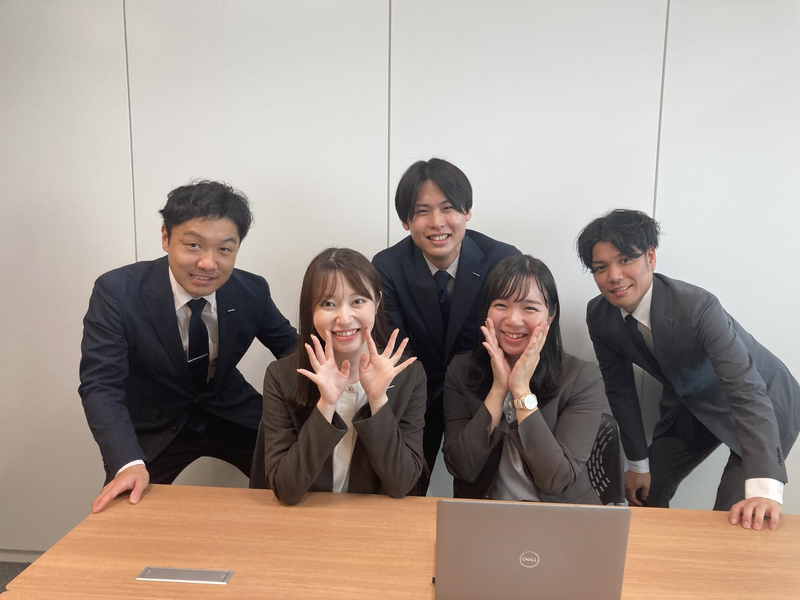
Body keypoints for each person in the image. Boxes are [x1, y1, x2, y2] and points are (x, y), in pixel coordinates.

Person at [79, 180, 297, 513]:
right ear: (166, 238)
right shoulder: (118, 291)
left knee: (294, 481)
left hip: (230, 410)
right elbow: (100, 384)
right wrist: (127, 462)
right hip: (153, 422)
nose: (208, 263)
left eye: (224, 249)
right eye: (193, 245)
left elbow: (293, 351)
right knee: (127, 511)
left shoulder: (251, 291)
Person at [577, 208, 800, 530]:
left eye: (625, 260)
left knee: (738, 516)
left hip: (763, 400)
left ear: (650, 257)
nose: (614, 276)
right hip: (693, 401)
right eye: (601, 267)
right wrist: (638, 464)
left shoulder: (697, 306)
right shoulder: (600, 315)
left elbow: (744, 388)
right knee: (644, 492)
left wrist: (765, 489)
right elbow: (620, 390)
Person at [372, 158, 519, 490]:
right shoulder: (387, 267)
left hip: (482, 392)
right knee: (402, 490)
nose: (437, 222)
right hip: (416, 395)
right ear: (406, 221)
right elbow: (396, 348)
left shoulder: (502, 260)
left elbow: (511, 338)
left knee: (477, 495)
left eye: (448, 207)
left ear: (467, 211)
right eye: (422, 211)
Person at [252, 248, 427, 505]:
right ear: (310, 310)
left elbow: (402, 483)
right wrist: (326, 404)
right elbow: (286, 489)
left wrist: (377, 401)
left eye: (358, 301)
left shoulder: (408, 376)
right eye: (328, 304)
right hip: (307, 515)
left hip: (373, 518)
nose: (344, 318)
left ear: (377, 302)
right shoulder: (282, 376)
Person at [443, 255, 607, 502]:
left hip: (561, 516)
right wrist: (498, 391)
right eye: (501, 305)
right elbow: (462, 468)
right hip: (484, 515)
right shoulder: (461, 370)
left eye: (529, 308)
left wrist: (520, 391)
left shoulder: (581, 377)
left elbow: (556, 480)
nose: (513, 320)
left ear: (550, 314)